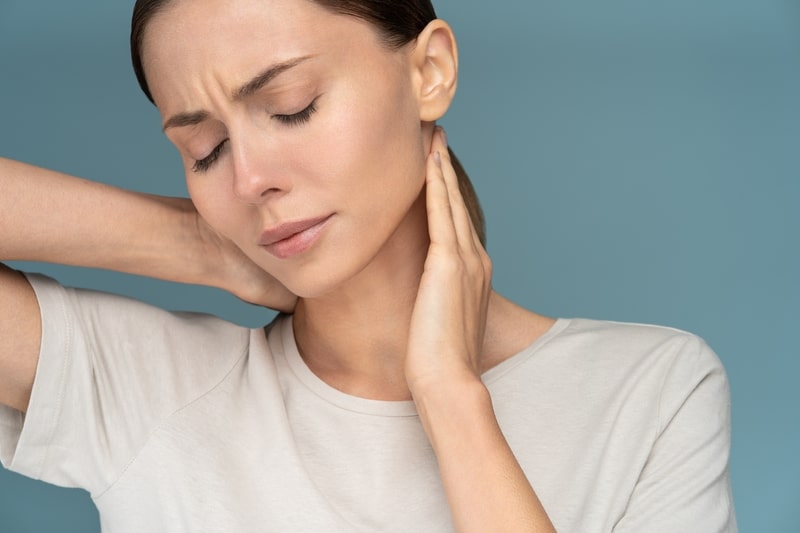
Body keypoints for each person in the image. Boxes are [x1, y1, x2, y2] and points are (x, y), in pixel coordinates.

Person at [0, 0, 737, 531]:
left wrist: (452, 400)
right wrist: (198, 244)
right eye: (206, 150)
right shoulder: (146, 386)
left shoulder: (652, 390)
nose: (250, 178)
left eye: (291, 106)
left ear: (431, 71)